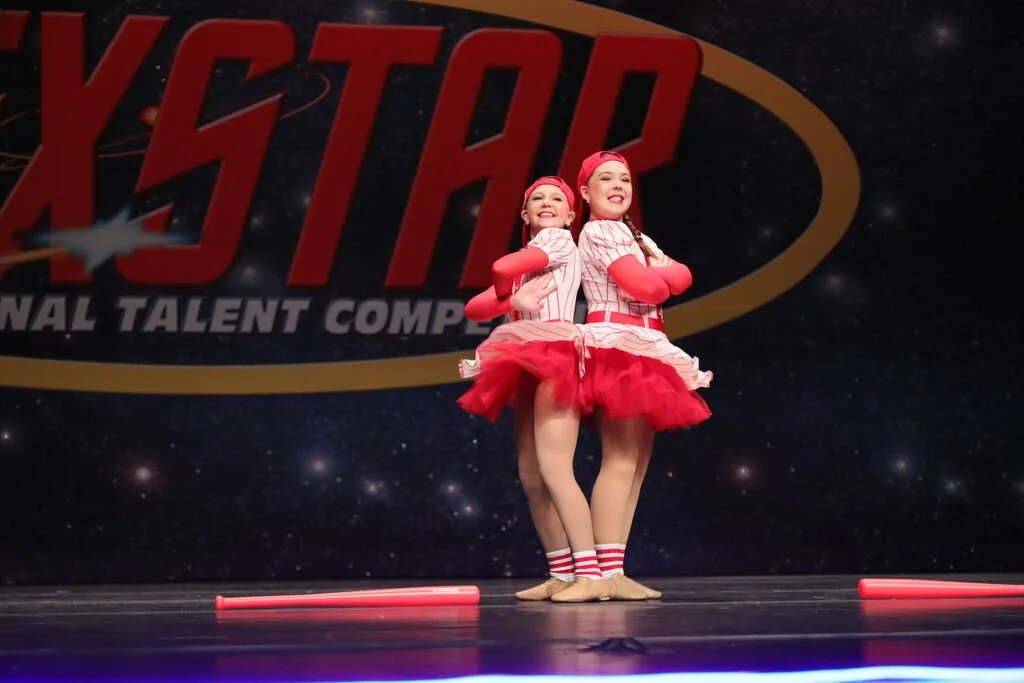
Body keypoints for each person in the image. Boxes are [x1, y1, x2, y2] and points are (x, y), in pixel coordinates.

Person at [458, 176, 611, 603]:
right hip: (524, 357)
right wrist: (513, 299)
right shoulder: (531, 257)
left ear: (570, 214)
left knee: (554, 468)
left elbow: (501, 270)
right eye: (536, 200)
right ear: (524, 215)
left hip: (556, 353)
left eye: (556, 199)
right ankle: (562, 573)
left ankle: (591, 574)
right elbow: (475, 307)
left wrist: (511, 290)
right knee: (531, 473)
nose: (547, 204)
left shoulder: (560, 242)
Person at [575, 151, 713, 601]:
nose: (618, 186)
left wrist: (659, 269)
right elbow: (652, 287)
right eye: (606, 179)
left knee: (635, 464)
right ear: (585, 192)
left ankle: (614, 568)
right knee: (620, 458)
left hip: (647, 343)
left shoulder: (633, 235)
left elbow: (684, 277)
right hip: (618, 342)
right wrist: (659, 272)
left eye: (625, 180)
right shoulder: (600, 231)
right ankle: (600, 571)